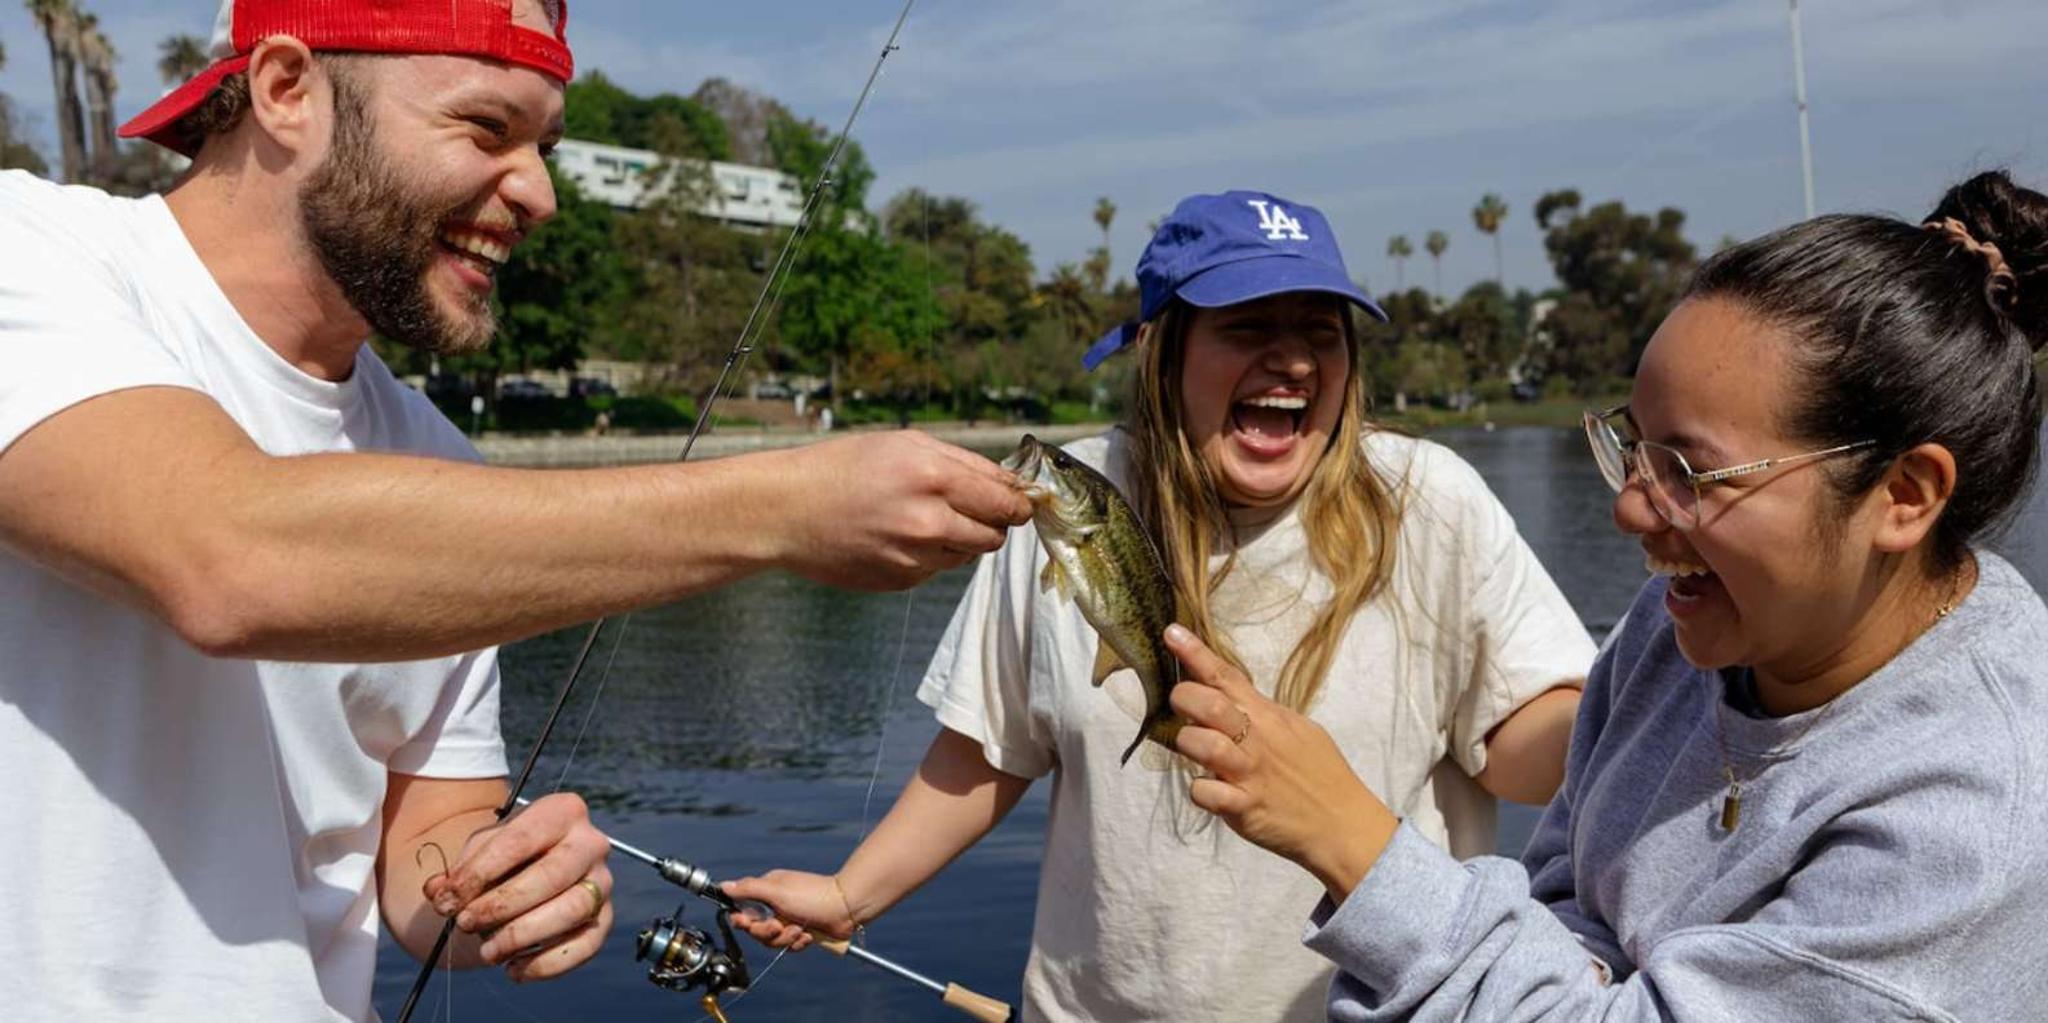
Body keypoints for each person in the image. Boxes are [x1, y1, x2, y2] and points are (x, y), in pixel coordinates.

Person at [0, 1, 1031, 1019]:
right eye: (486, 127)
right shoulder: (31, 250)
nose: (539, 193)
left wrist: (504, 880)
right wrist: (779, 509)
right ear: (285, 89)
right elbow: (223, 556)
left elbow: (424, 844)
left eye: (545, 146)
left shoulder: (442, 467)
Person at [1167, 171, 2048, 1021]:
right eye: (1634, 447)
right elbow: (1564, 893)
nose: (1630, 507)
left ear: (1905, 495)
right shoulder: (1683, 634)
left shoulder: (1968, 821)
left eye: (1690, 471)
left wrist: (1354, 843)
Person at [726, 191, 1595, 1020]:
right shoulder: (1066, 502)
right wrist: (849, 894)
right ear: (1161, 350)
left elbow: (1517, 749)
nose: (1293, 359)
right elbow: (990, 748)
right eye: (1247, 325)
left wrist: (1645, 698)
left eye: (1320, 331)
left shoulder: (1428, 498)